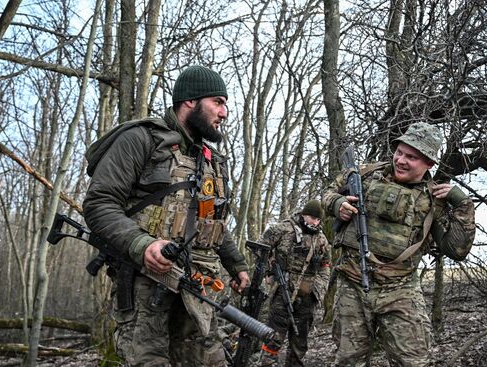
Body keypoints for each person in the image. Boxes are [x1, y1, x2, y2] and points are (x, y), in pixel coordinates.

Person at [83, 65, 250, 366]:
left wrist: (236, 264)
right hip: (145, 287)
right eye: (218, 102)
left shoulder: (210, 162)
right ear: (190, 101)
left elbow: (210, 224)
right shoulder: (140, 139)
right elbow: (99, 204)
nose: (224, 113)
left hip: (198, 289)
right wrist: (142, 244)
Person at [322, 122, 476, 366]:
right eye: (400, 152)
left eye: (412, 157)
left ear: (429, 164)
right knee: (348, 361)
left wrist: (463, 204)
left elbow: (456, 249)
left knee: (414, 362)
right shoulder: (363, 174)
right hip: (352, 285)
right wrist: (336, 203)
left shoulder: (433, 201)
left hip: (400, 290)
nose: (401, 160)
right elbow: (327, 193)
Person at [259, 200, 331, 367]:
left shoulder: (321, 240)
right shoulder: (283, 229)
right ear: (304, 214)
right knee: (273, 337)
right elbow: (261, 248)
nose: (315, 222)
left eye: (318, 219)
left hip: (307, 297)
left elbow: (325, 267)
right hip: (281, 292)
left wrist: (318, 290)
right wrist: (270, 272)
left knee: (300, 343)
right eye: (312, 217)